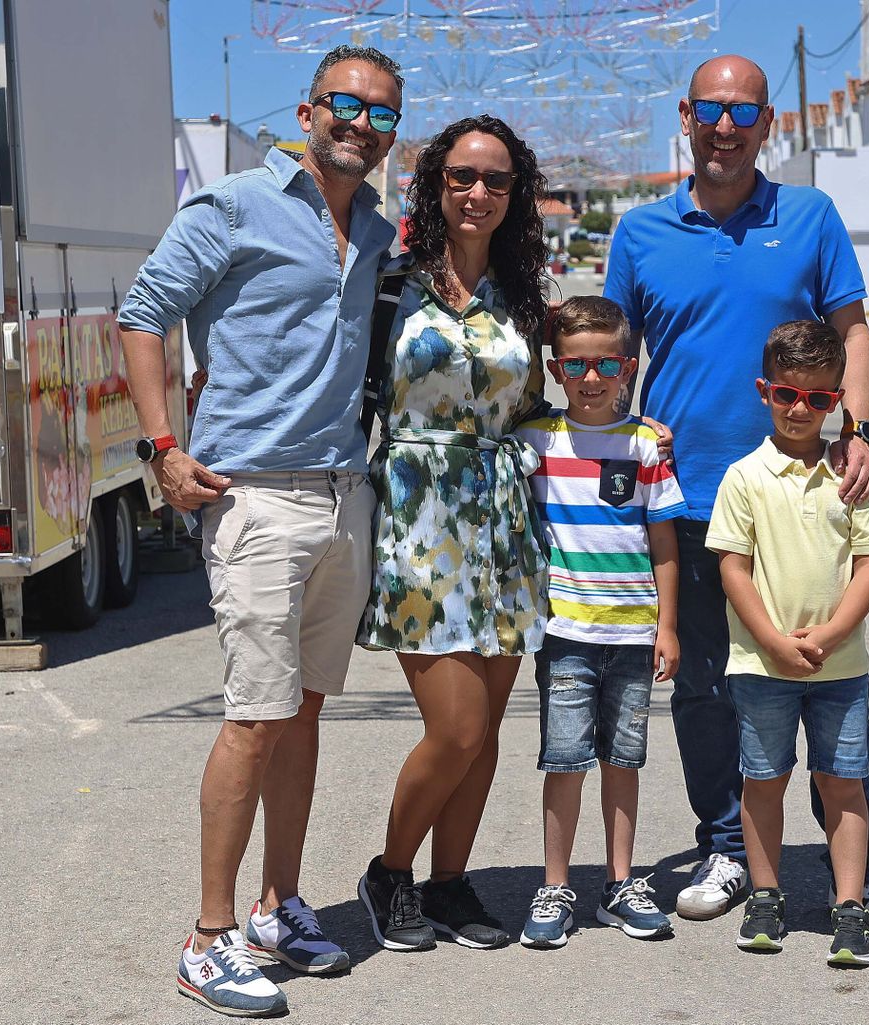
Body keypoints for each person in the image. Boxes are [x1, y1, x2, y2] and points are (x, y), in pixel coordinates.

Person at [604, 54, 869, 942]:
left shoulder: (810, 216)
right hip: (684, 503)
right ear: (686, 115)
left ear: (767, 122)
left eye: (744, 111)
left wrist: (859, 434)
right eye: (711, 110)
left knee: (827, 679)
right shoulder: (640, 232)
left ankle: (867, 874)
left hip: (805, 499)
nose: (727, 126)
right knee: (708, 689)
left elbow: (853, 333)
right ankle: (724, 846)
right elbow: (611, 358)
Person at [117, 46, 403, 1017]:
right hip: (253, 497)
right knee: (252, 713)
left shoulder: (376, 227)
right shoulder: (235, 203)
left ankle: (280, 903)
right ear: (309, 108)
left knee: (306, 708)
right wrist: (164, 445)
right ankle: (208, 935)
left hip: (342, 492)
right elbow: (144, 314)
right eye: (344, 103)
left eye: (378, 113)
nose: (359, 122)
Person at [356, 115, 553, 952]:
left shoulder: (523, 295)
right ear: (436, 183)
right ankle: (389, 871)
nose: (479, 192)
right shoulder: (394, 284)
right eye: (463, 176)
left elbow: (540, 405)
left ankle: (450, 882)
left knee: (490, 730)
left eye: (498, 180)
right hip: (418, 518)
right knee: (457, 726)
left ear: (516, 194)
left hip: (505, 520)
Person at [707, 320, 869, 967]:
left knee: (843, 784)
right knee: (763, 782)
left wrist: (836, 630)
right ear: (765, 390)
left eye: (817, 398)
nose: (800, 409)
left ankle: (848, 904)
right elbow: (732, 567)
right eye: (788, 394)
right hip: (762, 665)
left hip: (841, 668)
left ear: (836, 400)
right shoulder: (745, 477)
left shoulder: (851, 476)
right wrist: (771, 640)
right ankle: (765, 895)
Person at [513, 296, 686, 949]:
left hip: (633, 635)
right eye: (577, 364)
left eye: (606, 363)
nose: (592, 378)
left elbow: (662, 539)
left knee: (624, 758)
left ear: (627, 365)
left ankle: (619, 883)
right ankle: (555, 884)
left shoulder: (645, 443)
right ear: (557, 369)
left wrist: (667, 625)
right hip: (564, 637)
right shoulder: (536, 440)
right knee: (565, 760)